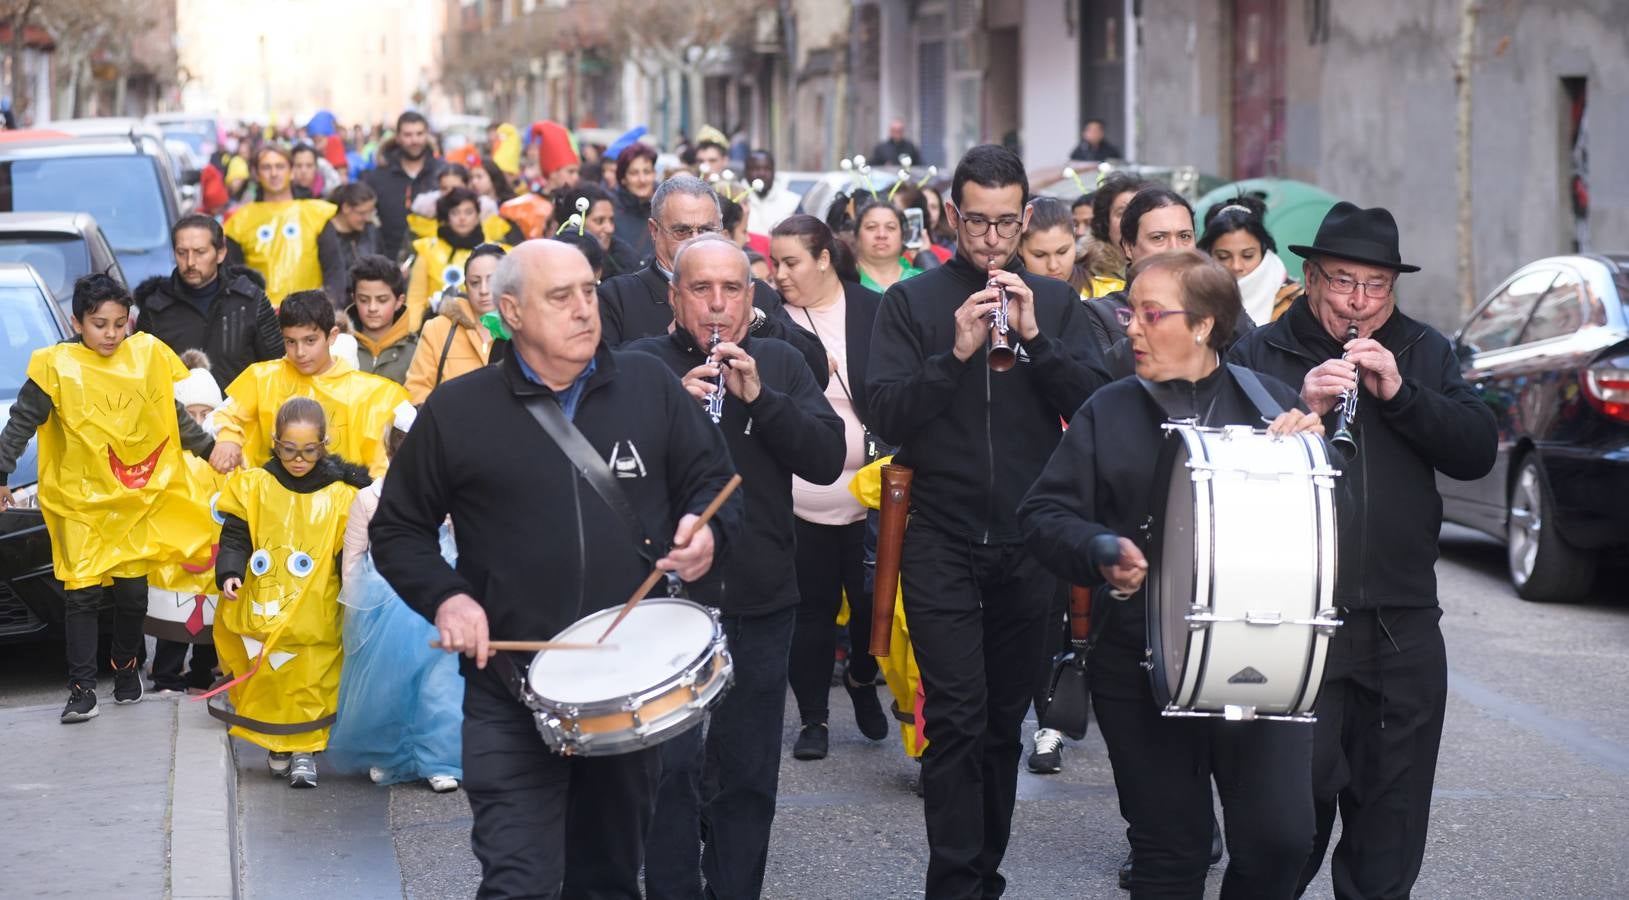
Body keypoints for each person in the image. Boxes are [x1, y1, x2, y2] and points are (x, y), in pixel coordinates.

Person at [369, 239, 742, 898]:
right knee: (519, 881)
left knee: (605, 881)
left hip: (624, 688)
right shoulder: (458, 412)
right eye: (560, 296)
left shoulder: (648, 386)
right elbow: (397, 529)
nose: (583, 310)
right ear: (509, 311)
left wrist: (704, 532)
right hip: (510, 692)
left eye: (589, 292)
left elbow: (711, 482)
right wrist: (449, 599)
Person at [1019, 249, 1325, 898]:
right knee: (1169, 851)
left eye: (1149, 314)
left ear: (1203, 325)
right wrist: (1102, 548)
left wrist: (1312, 453)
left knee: (1280, 840)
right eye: (1130, 311)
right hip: (1139, 662)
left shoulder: (1271, 406)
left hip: (1255, 654)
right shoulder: (1109, 409)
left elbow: (1325, 526)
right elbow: (1042, 516)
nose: (1130, 326)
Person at [1227, 202, 1498, 900]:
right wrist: (1297, 404)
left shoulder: (1423, 351)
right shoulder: (1260, 349)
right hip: (1293, 622)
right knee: (1285, 828)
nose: (1358, 302)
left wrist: (1402, 395)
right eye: (1343, 281)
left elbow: (1473, 450)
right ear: (1310, 279)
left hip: (1402, 622)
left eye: (1375, 286)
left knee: (1390, 827)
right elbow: (1216, 459)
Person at [864, 144, 1109, 897]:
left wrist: (1034, 338)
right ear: (950, 214)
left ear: (1025, 218)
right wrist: (956, 352)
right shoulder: (911, 302)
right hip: (939, 532)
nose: (992, 239)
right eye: (977, 221)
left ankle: (985, 873)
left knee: (1002, 722)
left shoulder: (1060, 303)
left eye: (1006, 223)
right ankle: (954, 882)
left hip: (1030, 539)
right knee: (957, 720)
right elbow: (884, 413)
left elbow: (1098, 404)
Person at [628, 234, 845, 900]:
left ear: (751, 298)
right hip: (666, 608)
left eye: (731, 290)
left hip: (759, 600)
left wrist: (761, 399)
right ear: (674, 295)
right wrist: (666, 406)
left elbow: (824, 459)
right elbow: (605, 475)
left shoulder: (778, 360)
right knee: (670, 773)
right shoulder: (638, 366)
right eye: (701, 289)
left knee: (747, 777)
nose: (716, 304)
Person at [0, 274, 217, 723]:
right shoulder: (55, 367)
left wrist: (211, 450)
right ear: (78, 321)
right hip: (79, 504)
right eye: (100, 324)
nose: (111, 334)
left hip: (132, 502)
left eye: (120, 324)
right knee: (80, 595)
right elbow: (21, 422)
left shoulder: (145, 357)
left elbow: (170, 415)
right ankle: (81, 689)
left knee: (133, 595)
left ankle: (125, 668)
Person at [769, 215, 889, 761]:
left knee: (870, 604)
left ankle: (863, 679)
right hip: (800, 494)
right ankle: (813, 718)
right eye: (774, 263)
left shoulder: (871, 309)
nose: (780, 273)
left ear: (823, 258)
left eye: (790, 262)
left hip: (870, 493)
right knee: (812, 610)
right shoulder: (770, 320)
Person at [211, 397, 372, 788]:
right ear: (274, 441)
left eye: (309, 450)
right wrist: (230, 572)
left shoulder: (340, 496)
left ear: (325, 444)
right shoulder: (254, 487)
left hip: (317, 608)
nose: (298, 459)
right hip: (266, 606)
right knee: (271, 674)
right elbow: (235, 535)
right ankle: (277, 744)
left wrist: (354, 594)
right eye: (289, 450)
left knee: (313, 674)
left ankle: (305, 749)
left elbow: (345, 551)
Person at [325, 405, 463, 793]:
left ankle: (438, 757)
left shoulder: (449, 496)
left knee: (441, 685)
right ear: (390, 453)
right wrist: (357, 610)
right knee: (388, 685)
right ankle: (389, 754)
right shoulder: (370, 498)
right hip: (384, 604)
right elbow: (352, 558)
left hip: (438, 597)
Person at [596, 175, 830, 385]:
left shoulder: (754, 292)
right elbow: (599, 377)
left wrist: (757, 320)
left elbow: (817, 370)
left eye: (707, 230)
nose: (695, 241)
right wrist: (669, 344)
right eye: (682, 231)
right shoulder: (617, 297)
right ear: (654, 230)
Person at [209, 290, 412, 479]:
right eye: (290, 342)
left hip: (342, 507)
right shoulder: (262, 378)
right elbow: (223, 415)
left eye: (309, 341)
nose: (300, 352)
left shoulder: (372, 394)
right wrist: (228, 436)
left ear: (331, 336)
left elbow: (383, 464)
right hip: (272, 502)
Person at [145, 351, 228, 694]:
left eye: (204, 413)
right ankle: (165, 675)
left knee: (209, 622)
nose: (197, 422)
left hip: (212, 552)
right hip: (177, 556)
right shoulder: (167, 457)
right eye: (189, 414)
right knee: (173, 623)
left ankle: (201, 674)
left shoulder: (222, 457)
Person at [136, 215, 284, 391]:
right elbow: (141, 378)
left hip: (239, 415)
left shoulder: (250, 301)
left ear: (220, 253)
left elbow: (277, 368)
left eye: (200, 252)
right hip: (176, 416)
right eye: (182, 253)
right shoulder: (155, 309)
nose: (190, 262)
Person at [1084, 187, 1199, 375]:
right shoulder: (1097, 314)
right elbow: (1097, 382)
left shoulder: (1216, 305)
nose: (1175, 249)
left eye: (1184, 236)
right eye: (1159, 237)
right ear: (1129, 247)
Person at [223, 146, 339, 305]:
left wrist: (331, 304)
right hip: (260, 318)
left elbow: (334, 269)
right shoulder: (240, 221)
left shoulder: (316, 213)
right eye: (266, 167)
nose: (274, 173)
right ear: (256, 173)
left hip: (311, 315)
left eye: (280, 166)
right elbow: (232, 275)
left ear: (291, 171)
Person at [406, 243, 505, 404]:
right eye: (475, 282)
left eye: (492, 280)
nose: (484, 290)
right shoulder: (438, 328)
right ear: (465, 286)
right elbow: (416, 390)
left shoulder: (524, 332)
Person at [405, 188, 506, 332]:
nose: (462, 218)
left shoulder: (496, 252)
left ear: (478, 216)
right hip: (437, 329)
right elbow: (415, 299)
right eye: (455, 213)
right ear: (447, 217)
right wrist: (413, 334)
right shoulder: (428, 249)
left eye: (468, 212)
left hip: (486, 331)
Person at [1199, 195, 1304, 325]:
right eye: (1223, 257)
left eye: (1248, 256)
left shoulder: (1295, 303)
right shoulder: (1194, 299)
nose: (1236, 266)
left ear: (1264, 251)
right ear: (1208, 255)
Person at [365, 111, 448, 260]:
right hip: (389, 262)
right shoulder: (378, 176)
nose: (414, 140)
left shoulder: (443, 173)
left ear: (427, 135)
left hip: (436, 262)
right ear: (398, 137)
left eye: (419, 134)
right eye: (408, 135)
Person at [347, 254, 418, 384]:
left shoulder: (417, 352)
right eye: (363, 300)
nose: (372, 308)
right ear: (354, 299)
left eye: (382, 300)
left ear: (399, 302)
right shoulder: (338, 346)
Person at [318, 182, 384, 309]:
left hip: (369, 306)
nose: (366, 218)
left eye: (370, 212)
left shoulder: (371, 230)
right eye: (362, 213)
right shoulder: (326, 234)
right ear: (346, 208)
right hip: (336, 306)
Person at [558, 183, 641, 277]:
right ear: (576, 223)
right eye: (599, 221)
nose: (610, 229)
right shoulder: (554, 260)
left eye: (611, 220)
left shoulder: (626, 262)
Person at [1018, 196, 1090, 300]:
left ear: (1074, 240)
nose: (1053, 266)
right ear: (1019, 248)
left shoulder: (1108, 293)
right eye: (1040, 255)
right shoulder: (1003, 301)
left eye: (1062, 252)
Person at [854, 201, 923, 292]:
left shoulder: (922, 280)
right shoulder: (844, 281)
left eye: (890, 227)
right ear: (857, 235)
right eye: (871, 227)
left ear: (903, 236)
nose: (881, 235)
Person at [612, 143, 659, 262]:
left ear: (654, 174)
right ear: (623, 178)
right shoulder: (610, 211)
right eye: (634, 173)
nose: (642, 179)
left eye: (647, 172)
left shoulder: (665, 209)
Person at [744, 149, 800, 235]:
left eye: (767, 169)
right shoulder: (735, 199)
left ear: (774, 171)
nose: (761, 173)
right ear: (746, 171)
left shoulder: (792, 202)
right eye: (756, 169)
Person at [529, 120, 580, 192]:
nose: (576, 177)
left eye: (577, 172)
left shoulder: (576, 201)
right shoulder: (534, 202)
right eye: (570, 172)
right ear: (553, 173)